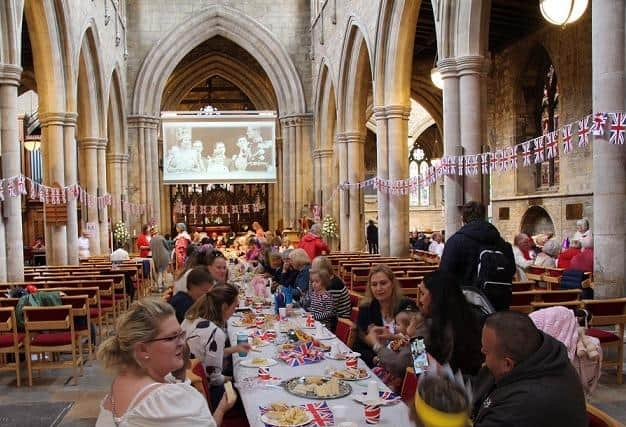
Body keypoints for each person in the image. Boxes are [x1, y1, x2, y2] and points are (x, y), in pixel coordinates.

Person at [96, 298, 235, 427]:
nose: (182, 342)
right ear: (143, 349)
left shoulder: (122, 380)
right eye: (171, 337)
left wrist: (180, 373)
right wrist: (221, 410)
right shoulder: (166, 400)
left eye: (181, 334)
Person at [472, 311, 587, 427]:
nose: (481, 351)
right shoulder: (539, 352)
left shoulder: (520, 407)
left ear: (507, 364)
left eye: (486, 352)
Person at [182, 284, 250, 410]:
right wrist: (237, 378)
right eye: (234, 307)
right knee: (251, 393)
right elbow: (215, 379)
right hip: (203, 393)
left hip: (185, 382)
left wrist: (234, 349)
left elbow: (204, 355)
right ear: (224, 307)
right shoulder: (214, 332)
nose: (234, 312)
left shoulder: (191, 319)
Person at [416, 271, 484, 375]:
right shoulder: (464, 316)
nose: (420, 300)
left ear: (436, 297)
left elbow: (422, 372)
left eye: (422, 293)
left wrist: (415, 340)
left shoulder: (447, 330)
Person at [354, 264, 417, 367]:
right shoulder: (366, 309)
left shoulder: (408, 306)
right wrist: (375, 359)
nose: (379, 288)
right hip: (376, 368)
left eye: (383, 283)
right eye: (374, 284)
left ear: (392, 284)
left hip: (405, 369)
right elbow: (357, 347)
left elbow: (419, 348)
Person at [439, 201, 515, 287]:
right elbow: (511, 270)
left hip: (465, 297)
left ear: (463, 219)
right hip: (497, 298)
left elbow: (444, 274)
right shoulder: (502, 243)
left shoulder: (455, 242)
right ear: (484, 216)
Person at [311, 256, 351, 320]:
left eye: (313, 269)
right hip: (328, 316)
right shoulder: (325, 280)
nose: (311, 271)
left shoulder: (334, 285)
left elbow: (330, 311)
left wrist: (311, 315)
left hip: (338, 320)